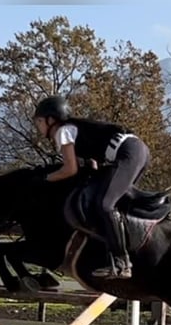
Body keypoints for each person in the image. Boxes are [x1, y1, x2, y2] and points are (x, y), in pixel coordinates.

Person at [31, 95, 151, 280]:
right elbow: (92, 164)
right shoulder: (77, 130)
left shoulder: (63, 132)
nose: (38, 127)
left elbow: (70, 169)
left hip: (128, 153)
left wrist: (45, 179)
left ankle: (121, 263)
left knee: (105, 204)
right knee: (110, 200)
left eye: (39, 121)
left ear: (51, 119)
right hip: (135, 150)